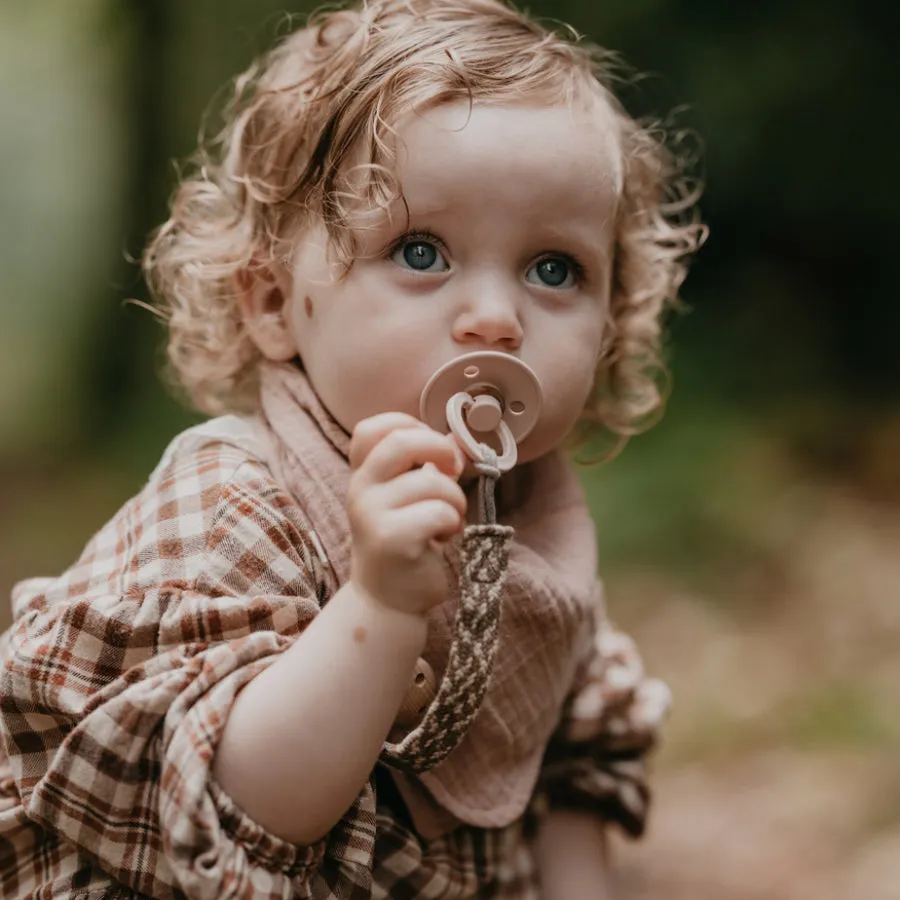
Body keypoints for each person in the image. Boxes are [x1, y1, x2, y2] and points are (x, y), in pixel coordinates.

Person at [0, 0, 704, 897]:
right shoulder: (233, 502)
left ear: (613, 321)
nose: (495, 317)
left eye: (554, 268)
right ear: (273, 302)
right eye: (420, 251)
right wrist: (379, 604)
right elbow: (240, 808)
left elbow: (568, 777)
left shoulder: (532, 521)